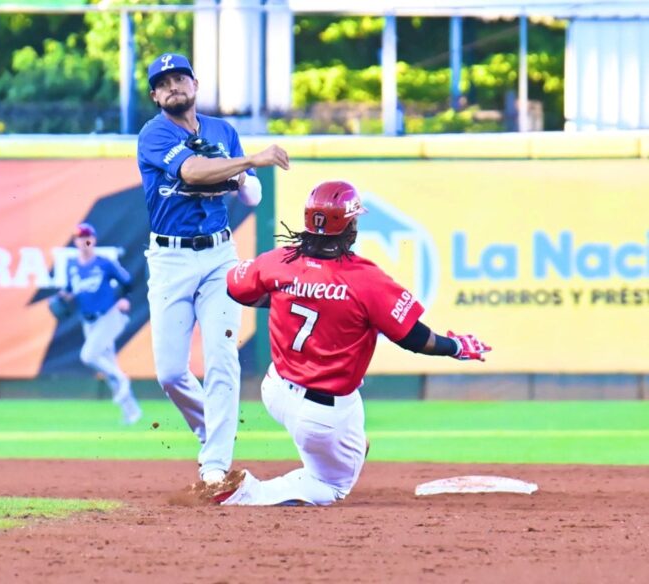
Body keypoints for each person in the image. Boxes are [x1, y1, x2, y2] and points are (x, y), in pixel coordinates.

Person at [220, 181, 492, 506]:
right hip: (321, 413)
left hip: (276, 389)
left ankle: (343, 446)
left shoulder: (278, 261)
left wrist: (290, 294)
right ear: (348, 226)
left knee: (349, 436)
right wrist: (456, 347)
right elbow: (414, 338)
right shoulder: (364, 278)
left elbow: (236, 289)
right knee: (331, 486)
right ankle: (249, 493)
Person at [136, 52, 290, 485]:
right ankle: (212, 433)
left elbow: (252, 198)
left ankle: (215, 466)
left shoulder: (223, 131)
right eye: (163, 83)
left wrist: (242, 176)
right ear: (154, 95)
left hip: (219, 256)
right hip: (170, 258)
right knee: (170, 372)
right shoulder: (154, 134)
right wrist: (247, 162)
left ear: (195, 84)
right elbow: (193, 171)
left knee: (223, 359)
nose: (172, 86)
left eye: (179, 78)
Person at [58, 222, 142, 425]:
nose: (83, 241)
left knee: (88, 355)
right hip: (89, 322)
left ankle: (123, 379)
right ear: (75, 241)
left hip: (109, 316)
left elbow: (127, 282)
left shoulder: (104, 263)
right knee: (109, 364)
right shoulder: (72, 265)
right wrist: (63, 297)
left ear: (93, 240)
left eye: (87, 237)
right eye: (79, 238)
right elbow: (69, 290)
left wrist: (125, 298)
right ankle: (131, 413)